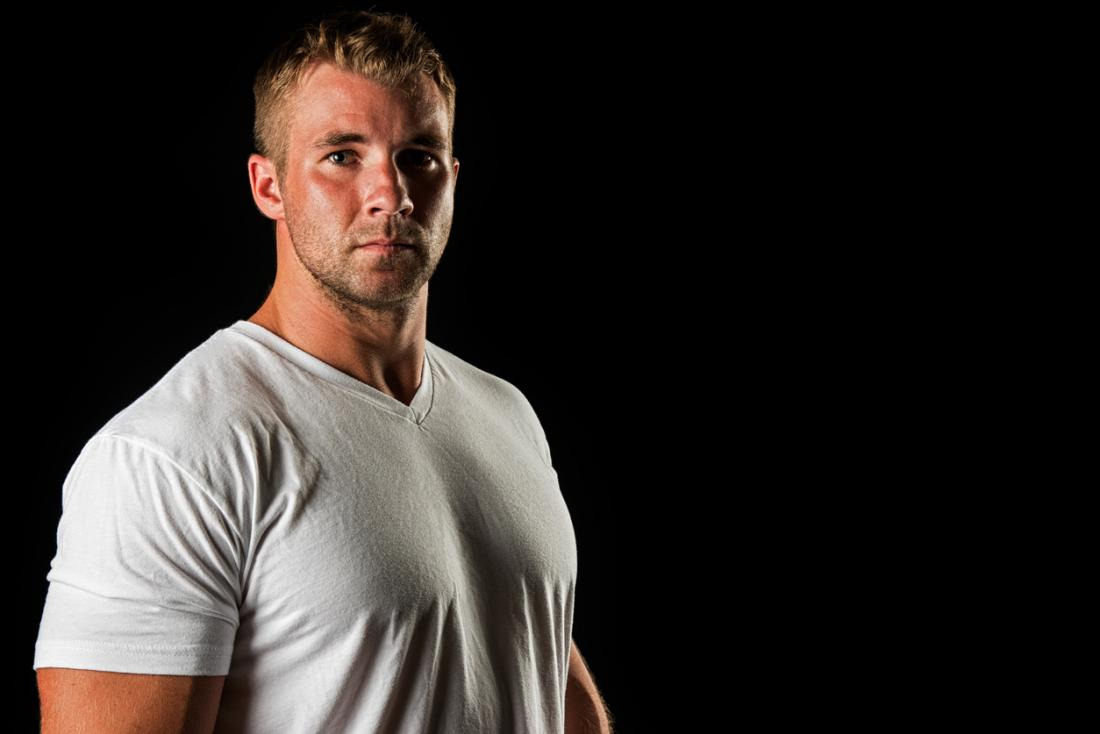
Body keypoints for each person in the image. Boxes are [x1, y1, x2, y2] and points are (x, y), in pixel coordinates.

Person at [33, 10, 614, 733]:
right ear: (268, 185)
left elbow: (544, 680)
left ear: (453, 179)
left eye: (420, 156)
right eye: (342, 155)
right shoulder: (170, 455)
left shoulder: (506, 414)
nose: (391, 194)